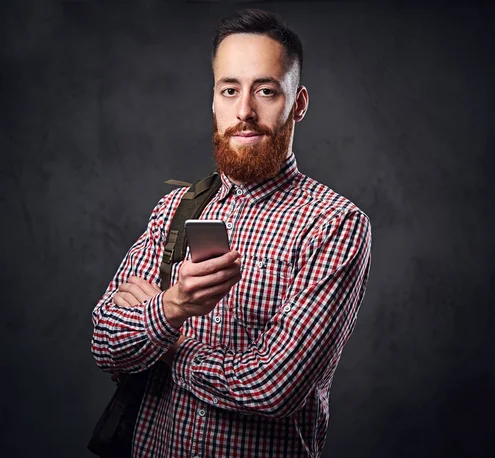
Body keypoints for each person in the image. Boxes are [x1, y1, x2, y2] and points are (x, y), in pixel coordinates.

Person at [91, 8, 371, 458]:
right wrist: (173, 305)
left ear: (297, 103)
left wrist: (166, 337)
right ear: (214, 100)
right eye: (229, 90)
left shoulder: (333, 224)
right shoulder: (177, 208)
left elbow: (273, 389)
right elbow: (106, 344)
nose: (244, 110)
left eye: (265, 90)